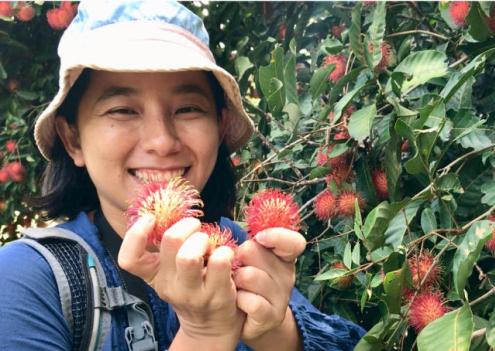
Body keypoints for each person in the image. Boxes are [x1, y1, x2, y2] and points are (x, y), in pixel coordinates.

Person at [0, 1, 366, 350]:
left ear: (219, 127)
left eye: (188, 108)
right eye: (123, 110)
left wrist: (275, 330)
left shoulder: (240, 249)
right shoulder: (25, 280)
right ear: (73, 139)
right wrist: (205, 333)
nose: (162, 142)